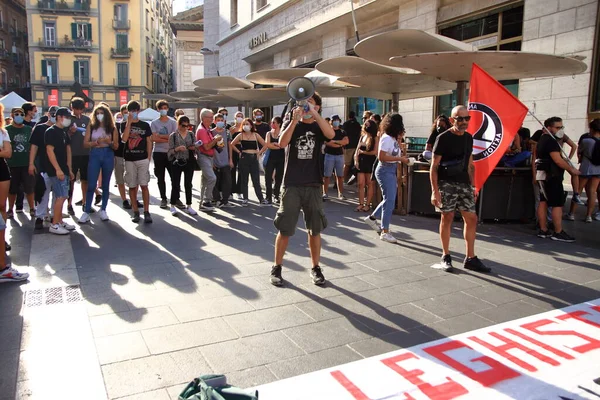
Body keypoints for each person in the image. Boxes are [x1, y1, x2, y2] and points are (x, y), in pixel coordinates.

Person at [270, 92, 335, 287]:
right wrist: (293, 120)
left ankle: (316, 267)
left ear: (318, 107)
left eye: (311, 103)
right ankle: (277, 267)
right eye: (304, 103)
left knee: (314, 229)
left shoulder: (319, 125)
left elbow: (331, 135)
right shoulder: (293, 123)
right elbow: (281, 143)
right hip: (291, 184)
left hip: (314, 184)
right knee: (285, 228)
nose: (306, 106)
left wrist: (314, 114)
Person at [430, 105, 490, 273]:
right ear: (452, 120)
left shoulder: (468, 138)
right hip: (445, 182)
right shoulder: (443, 138)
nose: (464, 122)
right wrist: (435, 191)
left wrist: (473, 186)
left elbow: (471, 165)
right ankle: (445, 255)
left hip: (464, 183)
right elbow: (433, 167)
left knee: (471, 218)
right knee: (447, 217)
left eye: (467, 118)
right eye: (460, 119)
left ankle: (470, 257)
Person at [362, 114, 410, 243]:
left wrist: (399, 142)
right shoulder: (386, 138)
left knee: (389, 199)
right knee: (389, 200)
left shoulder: (393, 139)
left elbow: (398, 153)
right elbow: (382, 156)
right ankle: (385, 231)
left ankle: (373, 219)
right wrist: (400, 159)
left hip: (390, 169)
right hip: (385, 169)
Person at [535, 116, 581, 241]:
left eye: (561, 127)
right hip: (551, 175)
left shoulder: (543, 140)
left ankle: (543, 229)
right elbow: (558, 160)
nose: (560, 129)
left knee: (544, 202)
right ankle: (558, 231)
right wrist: (572, 170)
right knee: (557, 204)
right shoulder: (550, 141)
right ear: (548, 128)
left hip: (544, 174)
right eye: (557, 127)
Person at [0, 106, 28, 282]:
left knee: (1, 213)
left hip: (2, 171)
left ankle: (3, 266)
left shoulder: (3, 132)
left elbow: (8, 152)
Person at [79, 104, 119, 223]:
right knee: (91, 184)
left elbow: (116, 146)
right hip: (95, 154)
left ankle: (103, 209)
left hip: (108, 154)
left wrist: (109, 142)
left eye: (101, 113)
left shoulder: (112, 128)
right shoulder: (91, 126)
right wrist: (96, 142)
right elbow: (85, 143)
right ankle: (86, 211)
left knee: (106, 184)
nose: (99, 115)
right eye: (97, 113)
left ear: (106, 115)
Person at [44, 107, 76, 235]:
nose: (68, 120)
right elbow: (49, 150)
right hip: (56, 170)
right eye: (66, 117)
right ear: (59, 117)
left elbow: (68, 150)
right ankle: (55, 224)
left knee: (63, 195)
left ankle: (60, 220)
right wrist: (57, 169)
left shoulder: (64, 132)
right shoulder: (51, 132)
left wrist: (69, 168)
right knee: (61, 196)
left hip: (64, 169)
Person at [121, 101, 153, 223]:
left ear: (139, 111)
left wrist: (148, 157)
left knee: (144, 185)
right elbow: (124, 139)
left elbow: (149, 142)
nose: (134, 113)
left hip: (142, 158)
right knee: (132, 186)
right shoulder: (124, 124)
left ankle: (146, 211)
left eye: (136, 111)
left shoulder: (145, 125)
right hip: (129, 159)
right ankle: (135, 211)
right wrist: (129, 123)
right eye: (132, 111)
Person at [29, 106, 58, 230]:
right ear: (48, 114)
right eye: (52, 113)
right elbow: (34, 147)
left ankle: (54, 216)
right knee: (43, 192)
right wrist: (31, 163)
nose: (53, 116)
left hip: (58, 166)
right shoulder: (40, 128)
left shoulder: (61, 129)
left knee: (58, 193)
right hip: (43, 165)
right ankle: (40, 217)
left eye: (56, 114)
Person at [567, 119, 600, 222]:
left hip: (586, 168)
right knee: (592, 192)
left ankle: (572, 213)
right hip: (598, 169)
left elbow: (580, 151)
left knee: (578, 191)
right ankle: (589, 216)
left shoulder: (586, 141)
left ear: (592, 128)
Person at [230, 119, 267, 206]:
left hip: (254, 158)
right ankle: (245, 199)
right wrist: (239, 152)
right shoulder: (240, 135)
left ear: (251, 126)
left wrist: (259, 152)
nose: (246, 126)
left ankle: (261, 199)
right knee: (244, 180)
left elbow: (265, 144)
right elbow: (231, 144)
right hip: (244, 158)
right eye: (244, 124)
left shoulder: (256, 135)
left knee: (256, 180)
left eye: (248, 124)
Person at [6, 108, 35, 217]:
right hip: (12, 164)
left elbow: (33, 146)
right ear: (12, 115)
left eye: (21, 114)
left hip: (26, 163)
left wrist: (32, 163)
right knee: (12, 189)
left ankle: (32, 208)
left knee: (29, 188)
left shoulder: (29, 129)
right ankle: (10, 209)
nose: (19, 116)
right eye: (16, 114)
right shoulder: (7, 129)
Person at [66, 97, 92, 215]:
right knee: (71, 180)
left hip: (86, 153)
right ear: (72, 108)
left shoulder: (87, 120)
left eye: (80, 109)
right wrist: (71, 132)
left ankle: (85, 202)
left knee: (85, 179)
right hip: (72, 154)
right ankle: (69, 204)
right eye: (76, 109)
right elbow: (64, 137)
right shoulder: (68, 120)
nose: (78, 111)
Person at [168, 116, 197, 216]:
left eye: (187, 125)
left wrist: (194, 147)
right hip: (177, 161)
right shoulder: (173, 135)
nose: (185, 128)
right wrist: (177, 149)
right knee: (175, 184)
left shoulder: (191, 134)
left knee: (188, 184)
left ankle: (189, 205)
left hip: (189, 161)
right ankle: (172, 205)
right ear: (178, 124)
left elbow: (195, 147)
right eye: (183, 125)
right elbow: (169, 152)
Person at [151, 100, 177, 209]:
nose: (163, 110)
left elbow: (174, 138)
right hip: (158, 153)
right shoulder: (154, 123)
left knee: (174, 178)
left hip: (170, 153)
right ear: (158, 109)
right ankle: (163, 198)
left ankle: (175, 199)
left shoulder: (173, 122)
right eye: (161, 108)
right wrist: (167, 137)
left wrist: (161, 137)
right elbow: (153, 138)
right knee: (160, 178)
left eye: (165, 108)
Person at [195, 108, 221, 212]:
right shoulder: (202, 130)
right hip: (204, 156)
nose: (212, 119)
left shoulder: (206, 129)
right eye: (210, 117)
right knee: (212, 178)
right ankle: (207, 200)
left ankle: (203, 202)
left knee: (205, 180)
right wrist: (215, 140)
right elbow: (206, 147)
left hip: (208, 157)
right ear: (204, 118)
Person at [114, 104, 135, 209]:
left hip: (131, 155)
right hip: (119, 154)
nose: (127, 114)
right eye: (125, 112)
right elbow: (122, 139)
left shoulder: (136, 125)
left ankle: (133, 200)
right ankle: (124, 200)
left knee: (132, 179)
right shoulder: (117, 125)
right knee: (120, 179)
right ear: (121, 113)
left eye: (128, 112)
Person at [322, 115, 348, 200]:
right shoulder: (328, 132)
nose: (336, 122)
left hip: (339, 156)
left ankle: (340, 193)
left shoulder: (342, 132)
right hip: (329, 155)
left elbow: (346, 141)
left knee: (340, 175)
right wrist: (340, 143)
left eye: (337, 120)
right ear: (331, 122)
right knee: (327, 175)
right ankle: (325, 193)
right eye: (334, 120)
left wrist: (335, 142)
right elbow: (328, 143)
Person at [355, 120, 378, 212]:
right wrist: (356, 160)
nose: (365, 126)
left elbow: (375, 152)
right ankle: (360, 203)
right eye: (365, 124)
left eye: (367, 124)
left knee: (369, 183)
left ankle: (368, 204)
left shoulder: (375, 138)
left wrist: (363, 152)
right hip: (361, 161)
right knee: (361, 184)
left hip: (370, 162)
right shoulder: (362, 137)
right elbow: (357, 150)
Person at [211, 113, 233, 208]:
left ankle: (225, 200)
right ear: (214, 121)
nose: (220, 122)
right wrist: (211, 161)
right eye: (218, 120)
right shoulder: (210, 132)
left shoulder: (227, 132)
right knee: (214, 181)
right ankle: (216, 200)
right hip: (214, 160)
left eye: (222, 120)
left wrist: (230, 159)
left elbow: (230, 146)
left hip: (225, 161)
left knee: (227, 181)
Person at [264, 117, 285, 204]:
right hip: (270, 158)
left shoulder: (283, 133)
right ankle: (268, 197)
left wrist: (276, 145)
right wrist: (277, 145)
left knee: (279, 177)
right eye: (271, 122)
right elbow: (267, 145)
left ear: (279, 124)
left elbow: (283, 145)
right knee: (268, 177)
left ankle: (276, 195)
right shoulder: (269, 133)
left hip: (281, 158)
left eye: (274, 122)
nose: (272, 124)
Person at [342, 111, 361, 183]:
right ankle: (355, 179)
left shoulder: (346, 124)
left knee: (346, 164)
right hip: (356, 145)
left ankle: (342, 179)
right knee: (356, 163)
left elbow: (343, 134)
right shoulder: (357, 124)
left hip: (348, 146)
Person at [229, 111, 244, 200]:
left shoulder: (244, 128)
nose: (239, 118)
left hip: (242, 150)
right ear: (235, 118)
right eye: (238, 116)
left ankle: (239, 191)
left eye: (241, 116)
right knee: (232, 171)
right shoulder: (232, 129)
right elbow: (230, 142)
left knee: (242, 171)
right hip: (233, 150)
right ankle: (231, 191)